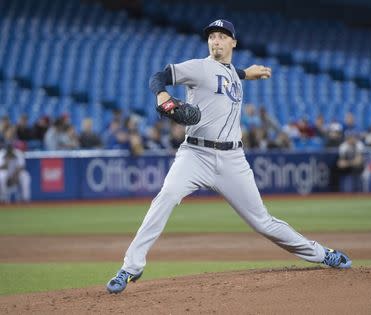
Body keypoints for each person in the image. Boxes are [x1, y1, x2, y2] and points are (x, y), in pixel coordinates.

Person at [106, 19, 351, 294]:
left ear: (233, 42)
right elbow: (158, 76)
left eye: (222, 36)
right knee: (165, 197)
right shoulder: (198, 67)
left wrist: (247, 73)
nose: (216, 41)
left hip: (233, 159)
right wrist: (162, 94)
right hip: (195, 154)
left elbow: (228, 75)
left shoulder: (233, 72)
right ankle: (130, 267)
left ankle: (322, 253)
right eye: (212, 36)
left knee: (263, 222)